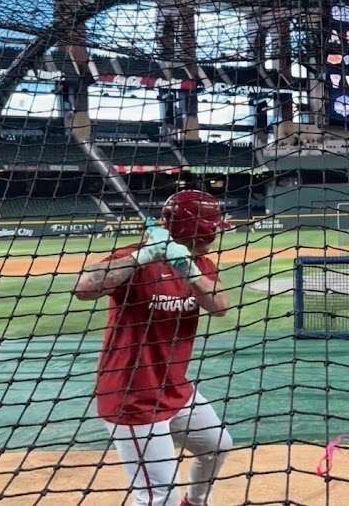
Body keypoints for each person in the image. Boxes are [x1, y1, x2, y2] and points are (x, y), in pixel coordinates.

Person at [74, 190, 233, 506]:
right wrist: (142, 258)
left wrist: (191, 272)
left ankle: (196, 502)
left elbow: (220, 306)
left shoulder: (200, 262)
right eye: (212, 228)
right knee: (158, 497)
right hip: (132, 397)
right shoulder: (134, 257)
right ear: (196, 229)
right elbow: (83, 288)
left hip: (176, 389)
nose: (215, 235)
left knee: (217, 445)